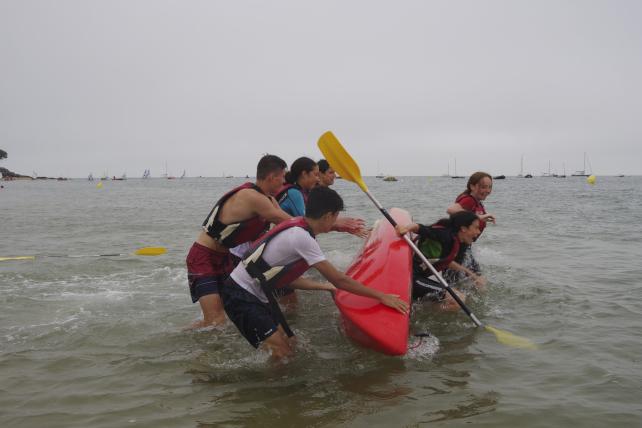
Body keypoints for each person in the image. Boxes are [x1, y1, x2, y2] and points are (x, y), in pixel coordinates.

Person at [219, 186, 409, 360]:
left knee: (289, 344)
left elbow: (285, 278)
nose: (335, 222)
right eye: (335, 217)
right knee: (281, 351)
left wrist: (324, 287)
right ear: (327, 216)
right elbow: (340, 279)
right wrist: (381, 296)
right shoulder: (302, 238)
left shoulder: (298, 226)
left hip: (253, 292)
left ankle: (280, 392)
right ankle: (276, 394)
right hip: (241, 294)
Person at [186, 155, 292, 328]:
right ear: (273, 177)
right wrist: (334, 224)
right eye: (283, 177)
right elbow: (289, 222)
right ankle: (182, 337)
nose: (284, 182)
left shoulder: (270, 200)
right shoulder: (251, 196)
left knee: (227, 316)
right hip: (203, 256)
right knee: (215, 321)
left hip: (224, 258)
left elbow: (288, 227)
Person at [395, 211, 486, 310]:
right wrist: (405, 228)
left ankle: (419, 306)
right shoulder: (444, 235)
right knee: (458, 300)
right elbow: (419, 228)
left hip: (418, 277)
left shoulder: (455, 241)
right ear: (463, 228)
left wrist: (474, 276)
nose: (478, 232)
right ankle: (415, 309)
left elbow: (448, 262)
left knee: (460, 297)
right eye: (476, 228)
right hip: (411, 278)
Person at [445, 172, 495, 282]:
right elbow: (451, 210)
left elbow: (467, 218)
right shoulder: (469, 200)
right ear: (472, 186)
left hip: (464, 248)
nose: (487, 190)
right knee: (460, 282)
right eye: (483, 187)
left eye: (490, 187)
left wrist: (481, 219)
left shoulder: (477, 202)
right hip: (457, 248)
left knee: (475, 280)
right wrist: (480, 216)